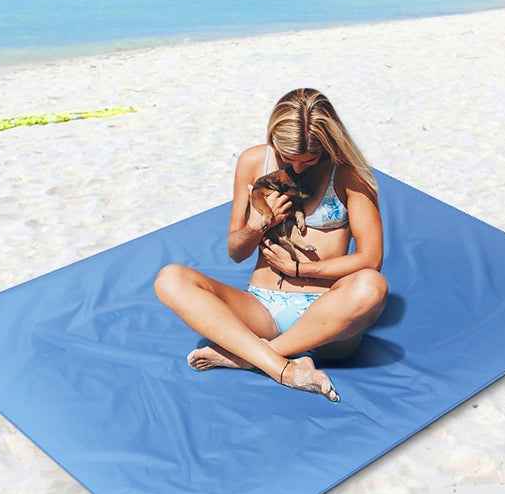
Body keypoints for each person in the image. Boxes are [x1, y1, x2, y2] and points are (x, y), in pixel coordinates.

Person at [153, 88, 388, 402]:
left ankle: (248, 356)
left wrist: (300, 269)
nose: (298, 168)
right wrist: (257, 225)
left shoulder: (348, 175)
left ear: (328, 143)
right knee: (170, 279)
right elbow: (236, 251)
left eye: (310, 159)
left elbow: (371, 258)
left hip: (326, 316)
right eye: (288, 158)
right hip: (261, 309)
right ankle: (284, 369)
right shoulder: (253, 161)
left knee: (372, 285)